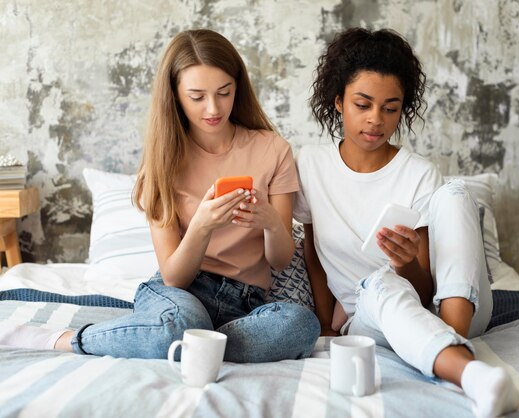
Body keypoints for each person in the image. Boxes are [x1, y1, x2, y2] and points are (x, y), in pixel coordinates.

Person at [1, 29, 319, 362]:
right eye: (197, 96)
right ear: (175, 95)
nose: (213, 108)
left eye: (224, 92)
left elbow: (280, 260)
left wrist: (270, 222)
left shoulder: (273, 149)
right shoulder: (163, 161)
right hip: (182, 294)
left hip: (248, 302)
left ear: (237, 88)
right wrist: (201, 226)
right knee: (181, 323)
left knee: (300, 325)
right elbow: (174, 276)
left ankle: (186, 344)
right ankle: (70, 339)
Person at [295, 28, 519, 417]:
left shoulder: (419, 173)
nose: (376, 120)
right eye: (362, 104)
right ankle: (471, 374)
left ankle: (451, 337)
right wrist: (324, 325)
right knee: (381, 284)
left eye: (390, 107)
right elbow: (312, 252)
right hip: (371, 316)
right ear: (338, 102)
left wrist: (406, 264)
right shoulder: (311, 165)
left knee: (452, 194)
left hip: (450, 307)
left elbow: (428, 285)